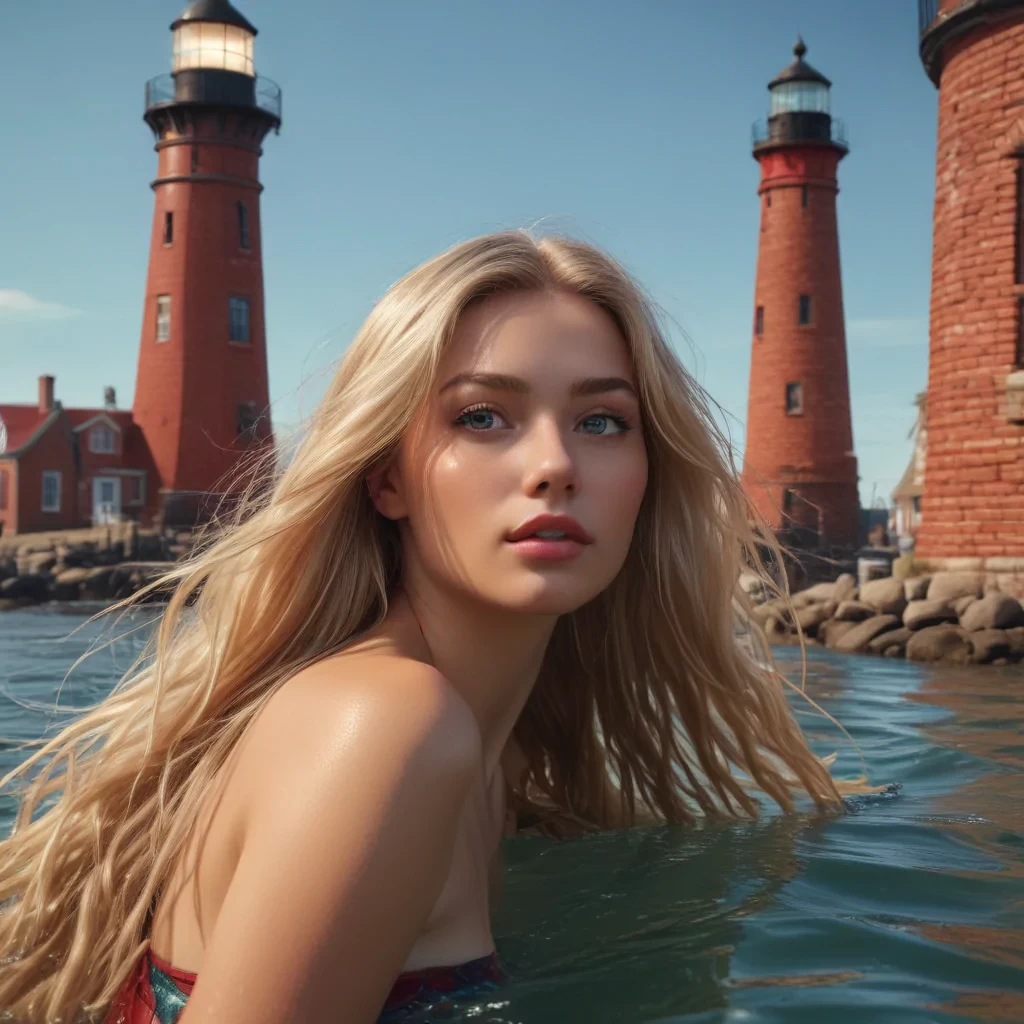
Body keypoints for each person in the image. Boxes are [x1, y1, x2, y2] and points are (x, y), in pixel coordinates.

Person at [0, 231, 846, 1023]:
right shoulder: (385, 727)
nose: (554, 464)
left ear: (648, 475)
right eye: (482, 417)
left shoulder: (498, 751)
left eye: (602, 421)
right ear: (385, 480)